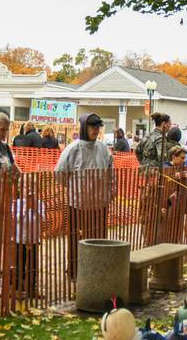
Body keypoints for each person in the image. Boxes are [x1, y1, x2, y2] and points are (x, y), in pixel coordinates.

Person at [55, 113, 114, 279]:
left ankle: (97, 270)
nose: (96, 130)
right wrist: (74, 187)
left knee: (99, 237)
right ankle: (74, 271)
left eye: (98, 127)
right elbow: (59, 173)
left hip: (100, 203)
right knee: (76, 239)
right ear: (83, 128)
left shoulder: (103, 149)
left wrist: (110, 193)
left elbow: (111, 173)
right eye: (92, 127)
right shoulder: (72, 149)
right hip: (78, 204)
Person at [13, 183, 45, 298]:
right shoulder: (17, 203)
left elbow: (42, 219)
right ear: (21, 189)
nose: (30, 189)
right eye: (27, 186)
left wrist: (35, 208)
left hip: (34, 240)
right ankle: (17, 290)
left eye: (33, 186)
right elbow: (17, 220)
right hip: (19, 240)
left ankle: (32, 289)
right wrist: (26, 209)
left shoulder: (40, 203)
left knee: (33, 265)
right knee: (19, 264)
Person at [161, 146, 187, 243]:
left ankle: (175, 242)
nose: (184, 160)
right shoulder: (166, 167)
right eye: (182, 158)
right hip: (167, 202)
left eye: (185, 158)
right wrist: (173, 177)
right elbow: (164, 182)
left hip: (178, 202)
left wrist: (184, 177)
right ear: (174, 157)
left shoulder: (181, 167)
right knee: (167, 225)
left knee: (177, 225)